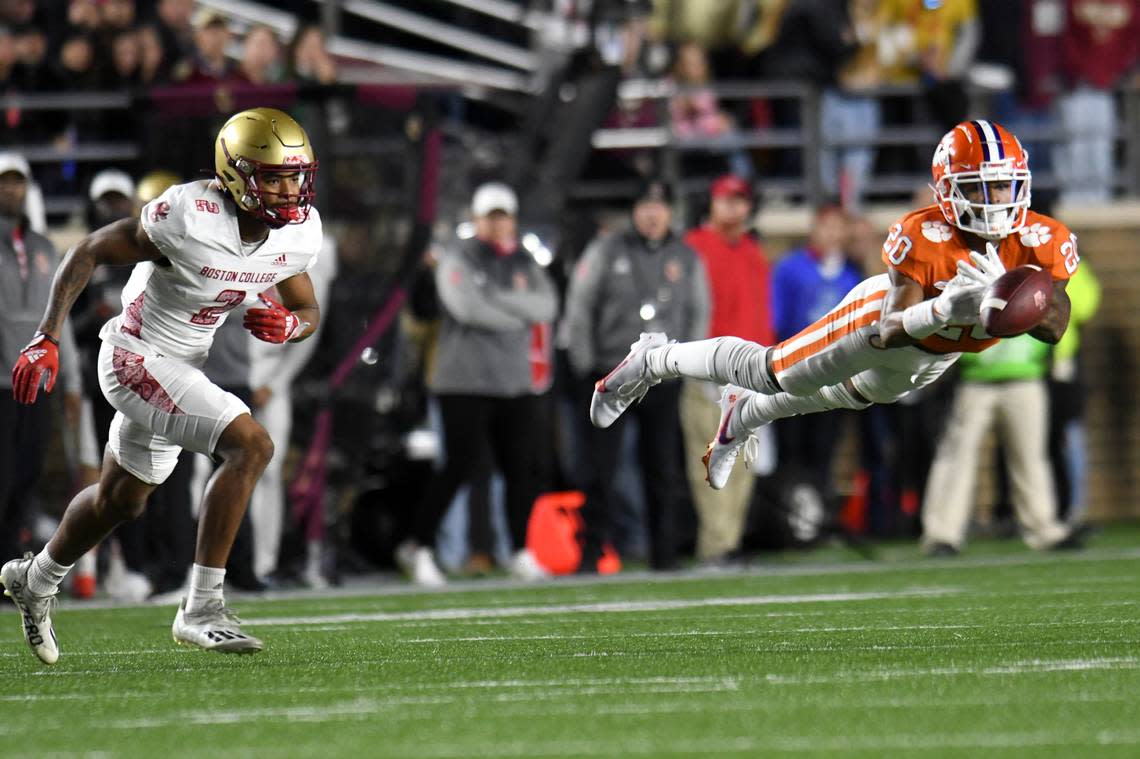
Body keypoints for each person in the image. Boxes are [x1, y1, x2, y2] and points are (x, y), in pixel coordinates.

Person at [589, 120, 1080, 529]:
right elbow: (891, 328)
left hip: (937, 355)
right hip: (879, 321)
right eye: (980, 187)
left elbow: (1055, 326)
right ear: (949, 191)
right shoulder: (923, 232)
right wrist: (950, 307)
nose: (996, 199)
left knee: (857, 394)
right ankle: (653, 358)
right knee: (770, 370)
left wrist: (1019, 296)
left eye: (1004, 184)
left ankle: (743, 416)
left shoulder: (1040, 239)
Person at [1, 108, 324, 661]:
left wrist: (293, 327)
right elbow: (90, 250)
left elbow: (306, 305)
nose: (288, 190)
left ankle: (34, 577)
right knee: (252, 444)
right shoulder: (190, 214)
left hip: (180, 368)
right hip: (132, 355)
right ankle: (201, 607)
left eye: (295, 175)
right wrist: (47, 334)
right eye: (272, 177)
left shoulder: (294, 232)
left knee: (121, 500)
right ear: (235, 174)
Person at [395, 182, 558, 586]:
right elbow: (467, 309)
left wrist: (496, 302)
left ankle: (520, 550)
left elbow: (548, 306)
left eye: (504, 216)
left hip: (514, 380)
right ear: (476, 218)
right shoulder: (458, 256)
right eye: (491, 216)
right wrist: (516, 314)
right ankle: (421, 547)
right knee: (458, 467)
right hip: (462, 380)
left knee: (521, 468)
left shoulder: (525, 260)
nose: (498, 224)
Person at [564, 179, 709, 571]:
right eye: (645, 206)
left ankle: (664, 554)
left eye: (658, 207)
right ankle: (592, 551)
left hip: (662, 375)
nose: (651, 214)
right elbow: (580, 307)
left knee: (662, 466)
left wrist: (688, 363)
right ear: (634, 211)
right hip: (612, 372)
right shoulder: (606, 250)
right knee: (600, 468)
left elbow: (699, 312)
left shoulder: (686, 256)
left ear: (669, 212)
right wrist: (584, 364)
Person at [680, 174, 772, 564]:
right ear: (711, 203)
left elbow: (761, 314)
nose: (735, 207)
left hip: (751, 371)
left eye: (741, 200)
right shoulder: (693, 248)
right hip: (711, 369)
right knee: (711, 458)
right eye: (726, 199)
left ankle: (728, 543)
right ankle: (717, 544)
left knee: (744, 462)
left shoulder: (752, 250)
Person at [0, 153, 85, 564]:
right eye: (4, 182)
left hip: (33, 381)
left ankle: (10, 564)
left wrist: (71, 382)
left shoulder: (44, 247)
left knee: (27, 475)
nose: (11, 190)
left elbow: (59, 316)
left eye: (17, 182)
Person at [921, 333, 1074, 554]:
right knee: (956, 457)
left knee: (1030, 458)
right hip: (974, 376)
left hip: (1026, 373)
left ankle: (1044, 528)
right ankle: (941, 534)